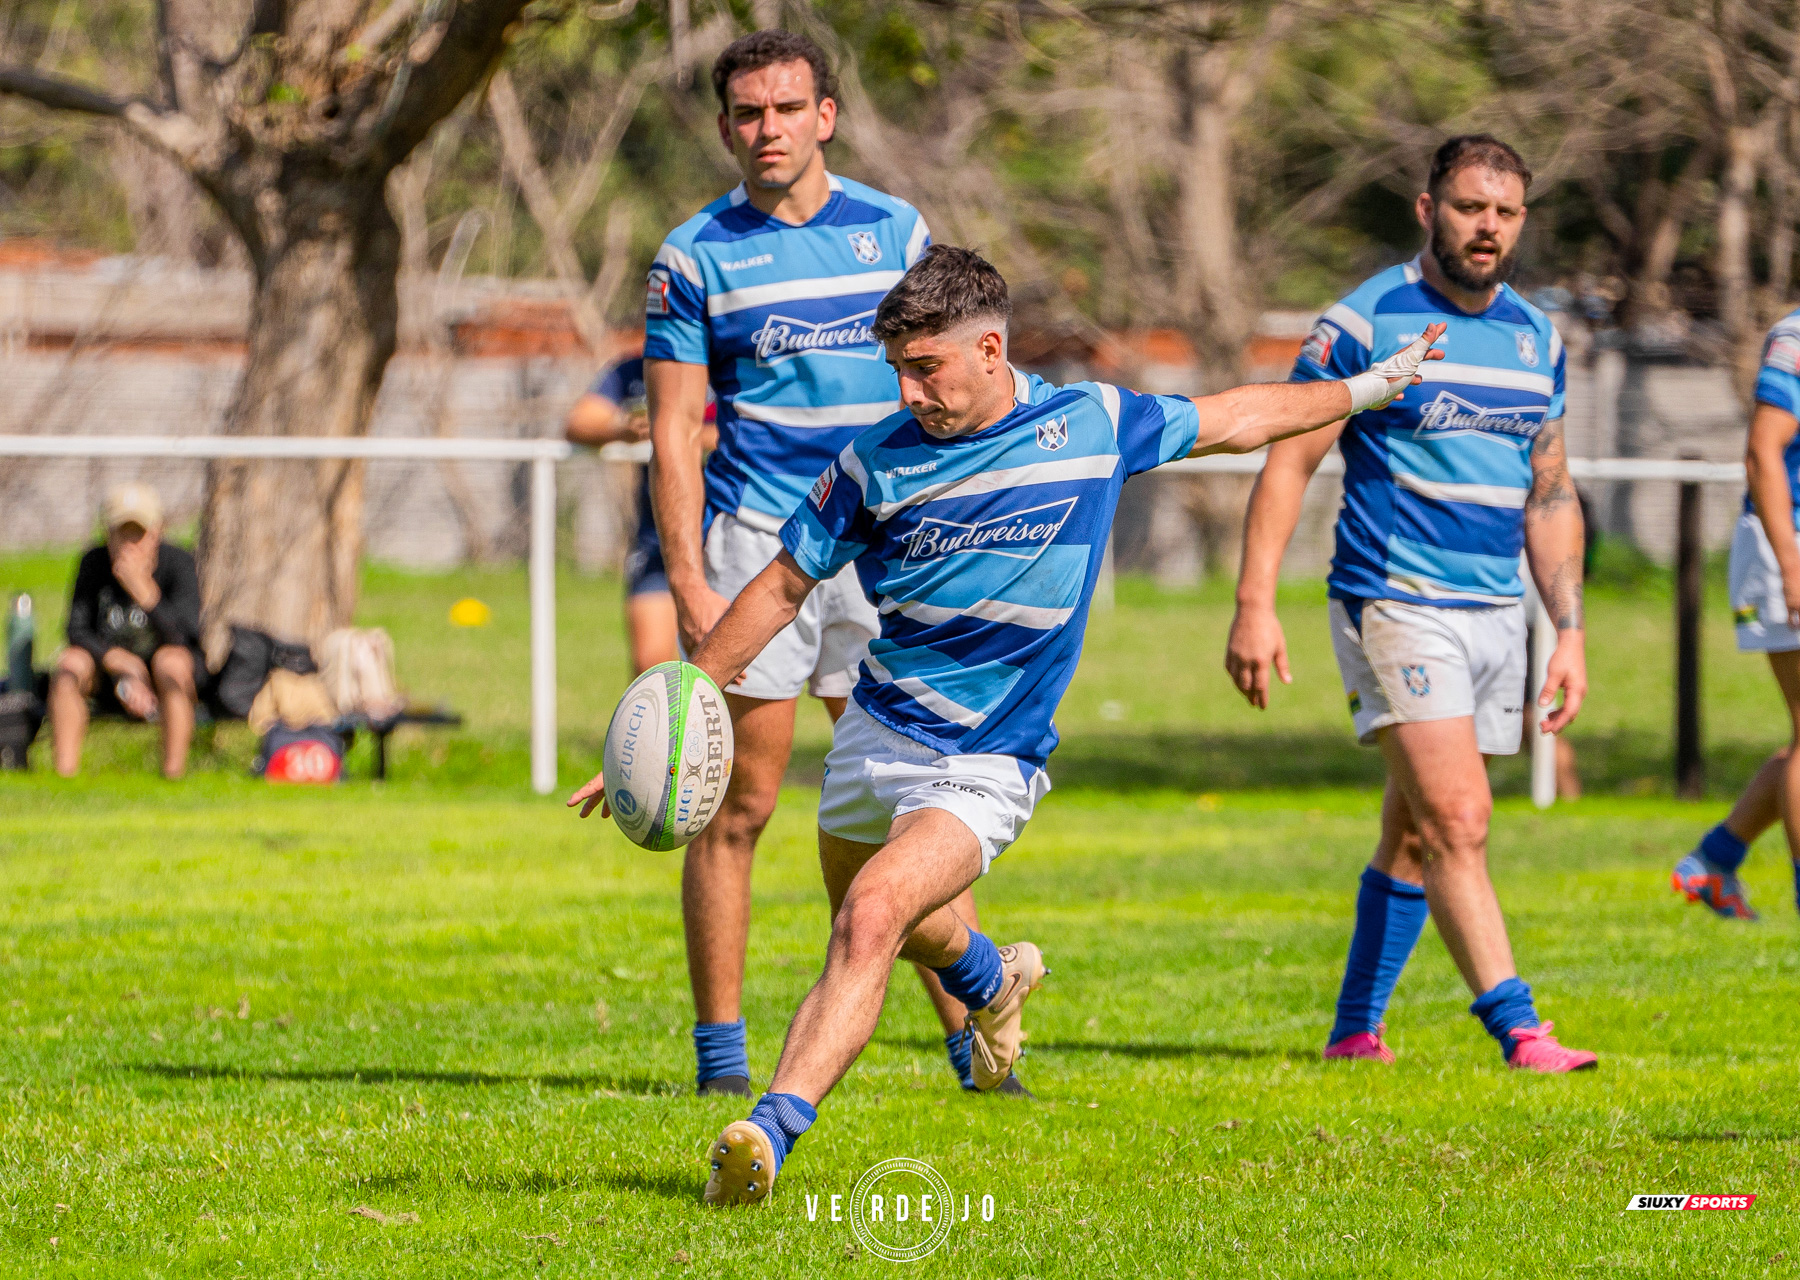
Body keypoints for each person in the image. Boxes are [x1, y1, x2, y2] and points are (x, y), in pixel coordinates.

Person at [574, 244, 1446, 1204]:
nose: (907, 390)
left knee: (870, 917)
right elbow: (782, 587)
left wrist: (1366, 387)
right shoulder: (875, 462)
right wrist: (678, 711)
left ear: (990, 347)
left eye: (926, 368)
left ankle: (767, 1132)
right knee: (899, 922)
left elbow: (1239, 419)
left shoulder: (1092, 423)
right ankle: (993, 978)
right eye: (897, 369)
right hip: (878, 732)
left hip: (991, 755)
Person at [640, 29, 1004, 1098]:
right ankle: (721, 1064)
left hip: (895, 548)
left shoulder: (896, 231)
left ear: (825, 116)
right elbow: (671, 432)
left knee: (919, 800)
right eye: (747, 114)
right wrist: (691, 580)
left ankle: (976, 1044)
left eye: (786, 109)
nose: (767, 130)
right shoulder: (692, 253)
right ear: (724, 129)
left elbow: (951, 390)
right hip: (763, 546)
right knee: (737, 801)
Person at [1225, 135, 1598, 1073]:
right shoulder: (1364, 322)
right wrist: (1253, 603)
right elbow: (1291, 459)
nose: (1489, 228)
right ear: (1429, 209)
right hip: (1392, 601)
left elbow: (1550, 491)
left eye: (1506, 212)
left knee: (1414, 827)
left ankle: (1354, 1031)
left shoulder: (1536, 339)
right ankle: (1521, 1030)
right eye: (1471, 208)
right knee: (1461, 820)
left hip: (1494, 611)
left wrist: (1570, 631)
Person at [1671, 307, 1800, 921]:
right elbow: (1762, 450)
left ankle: (1714, 859)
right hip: (1791, 539)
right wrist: (1792, 564)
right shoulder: (1796, 336)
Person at [564, 355, 717, 675]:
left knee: (735, 670)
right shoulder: (634, 371)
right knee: (651, 668)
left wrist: (680, 436)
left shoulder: (734, 362)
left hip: (734, 531)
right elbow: (579, 421)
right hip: (660, 538)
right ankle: (666, 726)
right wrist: (623, 428)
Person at [50, 482, 202, 780]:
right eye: (123, 533)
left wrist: (146, 594)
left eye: (139, 533)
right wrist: (117, 660)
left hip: (161, 675)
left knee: (172, 662)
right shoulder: (93, 564)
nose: (131, 543)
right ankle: (64, 776)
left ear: (157, 533)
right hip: (108, 670)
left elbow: (186, 636)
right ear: (108, 535)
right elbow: (75, 629)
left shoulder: (179, 564)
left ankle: (174, 776)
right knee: (69, 665)